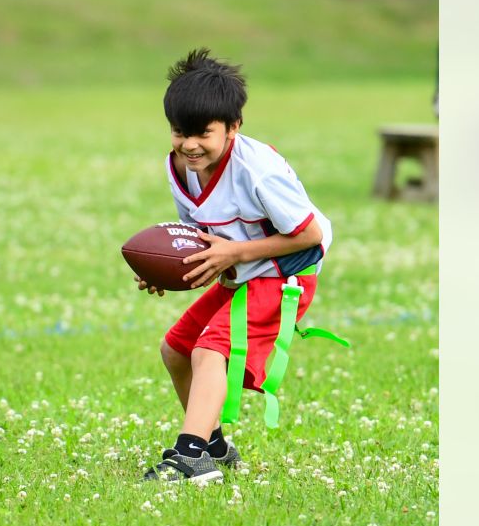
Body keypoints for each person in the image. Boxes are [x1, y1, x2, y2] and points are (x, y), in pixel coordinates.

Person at [137, 48, 340, 484]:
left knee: (211, 349)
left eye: (202, 134)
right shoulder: (180, 167)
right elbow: (196, 237)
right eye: (178, 132)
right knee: (176, 348)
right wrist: (164, 268)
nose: (189, 144)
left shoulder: (258, 171)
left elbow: (309, 235)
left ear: (233, 128)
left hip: (286, 275)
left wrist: (235, 254)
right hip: (243, 274)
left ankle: (190, 457)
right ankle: (213, 446)